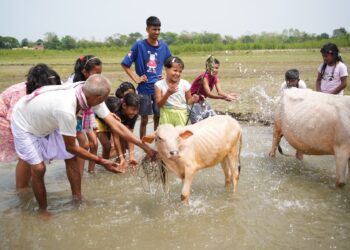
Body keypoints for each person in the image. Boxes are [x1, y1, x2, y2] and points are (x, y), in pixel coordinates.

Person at [11, 74, 156, 214]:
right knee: (38, 168)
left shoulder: (87, 91)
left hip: (48, 120)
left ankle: (77, 199)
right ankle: (43, 210)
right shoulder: (67, 108)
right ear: (99, 98)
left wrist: (145, 147)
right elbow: (72, 147)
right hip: (25, 124)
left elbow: (116, 126)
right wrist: (101, 161)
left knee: (71, 158)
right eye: (104, 99)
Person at [0, 64, 62, 190]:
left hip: (18, 121)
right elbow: (15, 119)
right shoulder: (20, 93)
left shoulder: (50, 86)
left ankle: (30, 183)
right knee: (26, 156)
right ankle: (22, 189)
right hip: (6, 122)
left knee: (30, 155)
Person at [121, 16, 171, 139]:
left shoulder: (164, 46)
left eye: (159, 29)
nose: (157, 32)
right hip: (144, 89)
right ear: (147, 29)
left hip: (159, 87)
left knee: (158, 116)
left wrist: (165, 74)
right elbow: (125, 64)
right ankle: (144, 144)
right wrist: (136, 79)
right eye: (154, 29)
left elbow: (170, 63)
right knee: (144, 119)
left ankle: (157, 142)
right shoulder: (139, 45)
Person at [68, 55, 102, 174]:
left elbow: (95, 104)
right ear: (85, 72)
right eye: (96, 73)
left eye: (100, 73)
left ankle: (91, 172)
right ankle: (79, 174)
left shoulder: (93, 82)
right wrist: (77, 114)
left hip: (87, 114)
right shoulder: (73, 83)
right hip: (74, 116)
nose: (98, 76)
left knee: (94, 143)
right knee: (85, 145)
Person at [188, 56, 237, 124]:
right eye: (213, 67)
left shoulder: (215, 78)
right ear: (207, 68)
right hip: (193, 103)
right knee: (198, 124)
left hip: (202, 101)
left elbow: (220, 92)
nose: (215, 70)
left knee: (214, 120)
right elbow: (209, 94)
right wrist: (223, 98)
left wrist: (227, 95)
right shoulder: (204, 77)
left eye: (217, 68)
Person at [155, 56, 199, 126]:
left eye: (180, 71)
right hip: (166, 114)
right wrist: (167, 94)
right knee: (166, 135)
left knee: (179, 135)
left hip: (181, 114)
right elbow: (159, 105)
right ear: (166, 69)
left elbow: (188, 102)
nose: (178, 73)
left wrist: (193, 99)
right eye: (175, 70)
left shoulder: (185, 84)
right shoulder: (159, 85)